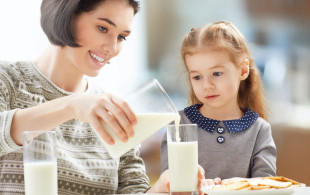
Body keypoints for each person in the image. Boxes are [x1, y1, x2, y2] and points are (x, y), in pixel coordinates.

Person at [0, 0, 206, 194]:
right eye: (103, 28)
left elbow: (132, 190)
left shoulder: (112, 111)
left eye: (121, 37)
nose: (113, 48)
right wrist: (71, 106)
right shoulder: (7, 81)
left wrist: (160, 188)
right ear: (66, 16)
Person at [161, 21, 277, 182]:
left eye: (216, 73)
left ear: (243, 70)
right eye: (197, 77)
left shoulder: (259, 130)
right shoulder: (178, 126)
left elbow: (265, 186)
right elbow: (169, 184)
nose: (207, 85)